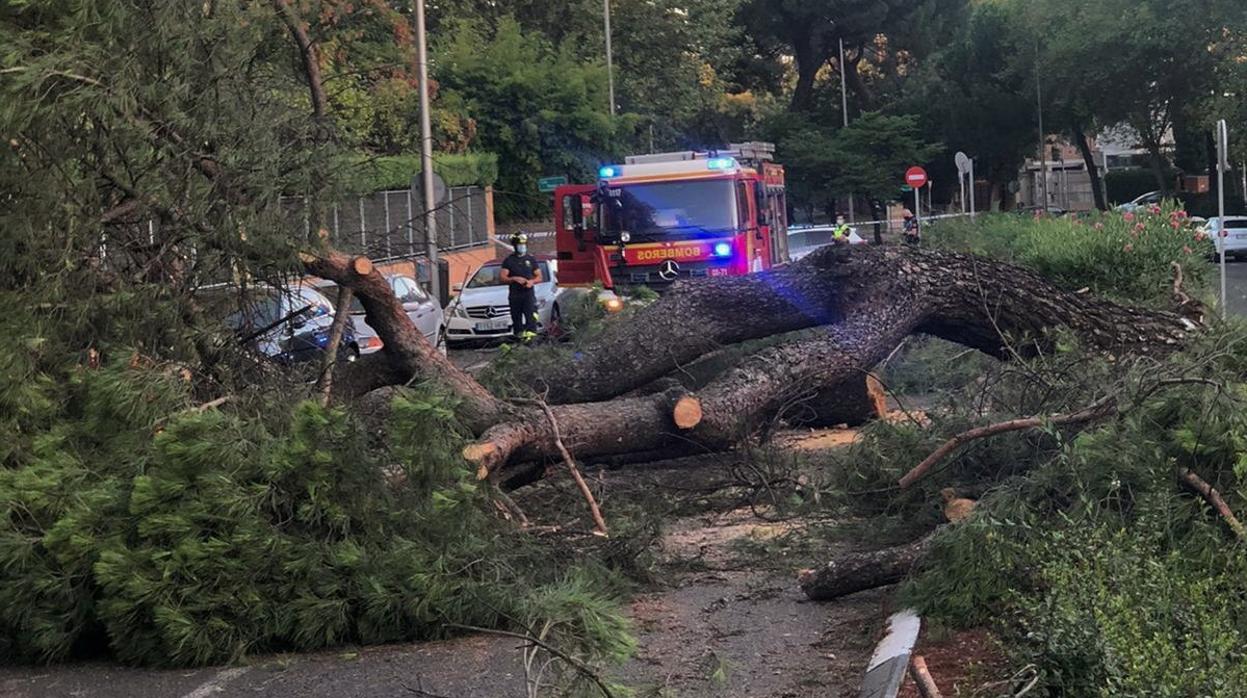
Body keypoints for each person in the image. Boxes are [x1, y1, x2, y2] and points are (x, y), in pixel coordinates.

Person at [500, 233, 542, 342]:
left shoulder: (531, 259)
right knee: (517, 319)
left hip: (528, 295)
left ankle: (531, 340)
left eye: (523, 244)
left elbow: (539, 276)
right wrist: (514, 279)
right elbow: (503, 277)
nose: (522, 246)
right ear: (515, 246)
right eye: (519, 244)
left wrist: (532, 282)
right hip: (515, 296)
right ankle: (519, 340)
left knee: (531, 318)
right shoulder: (509, 260)